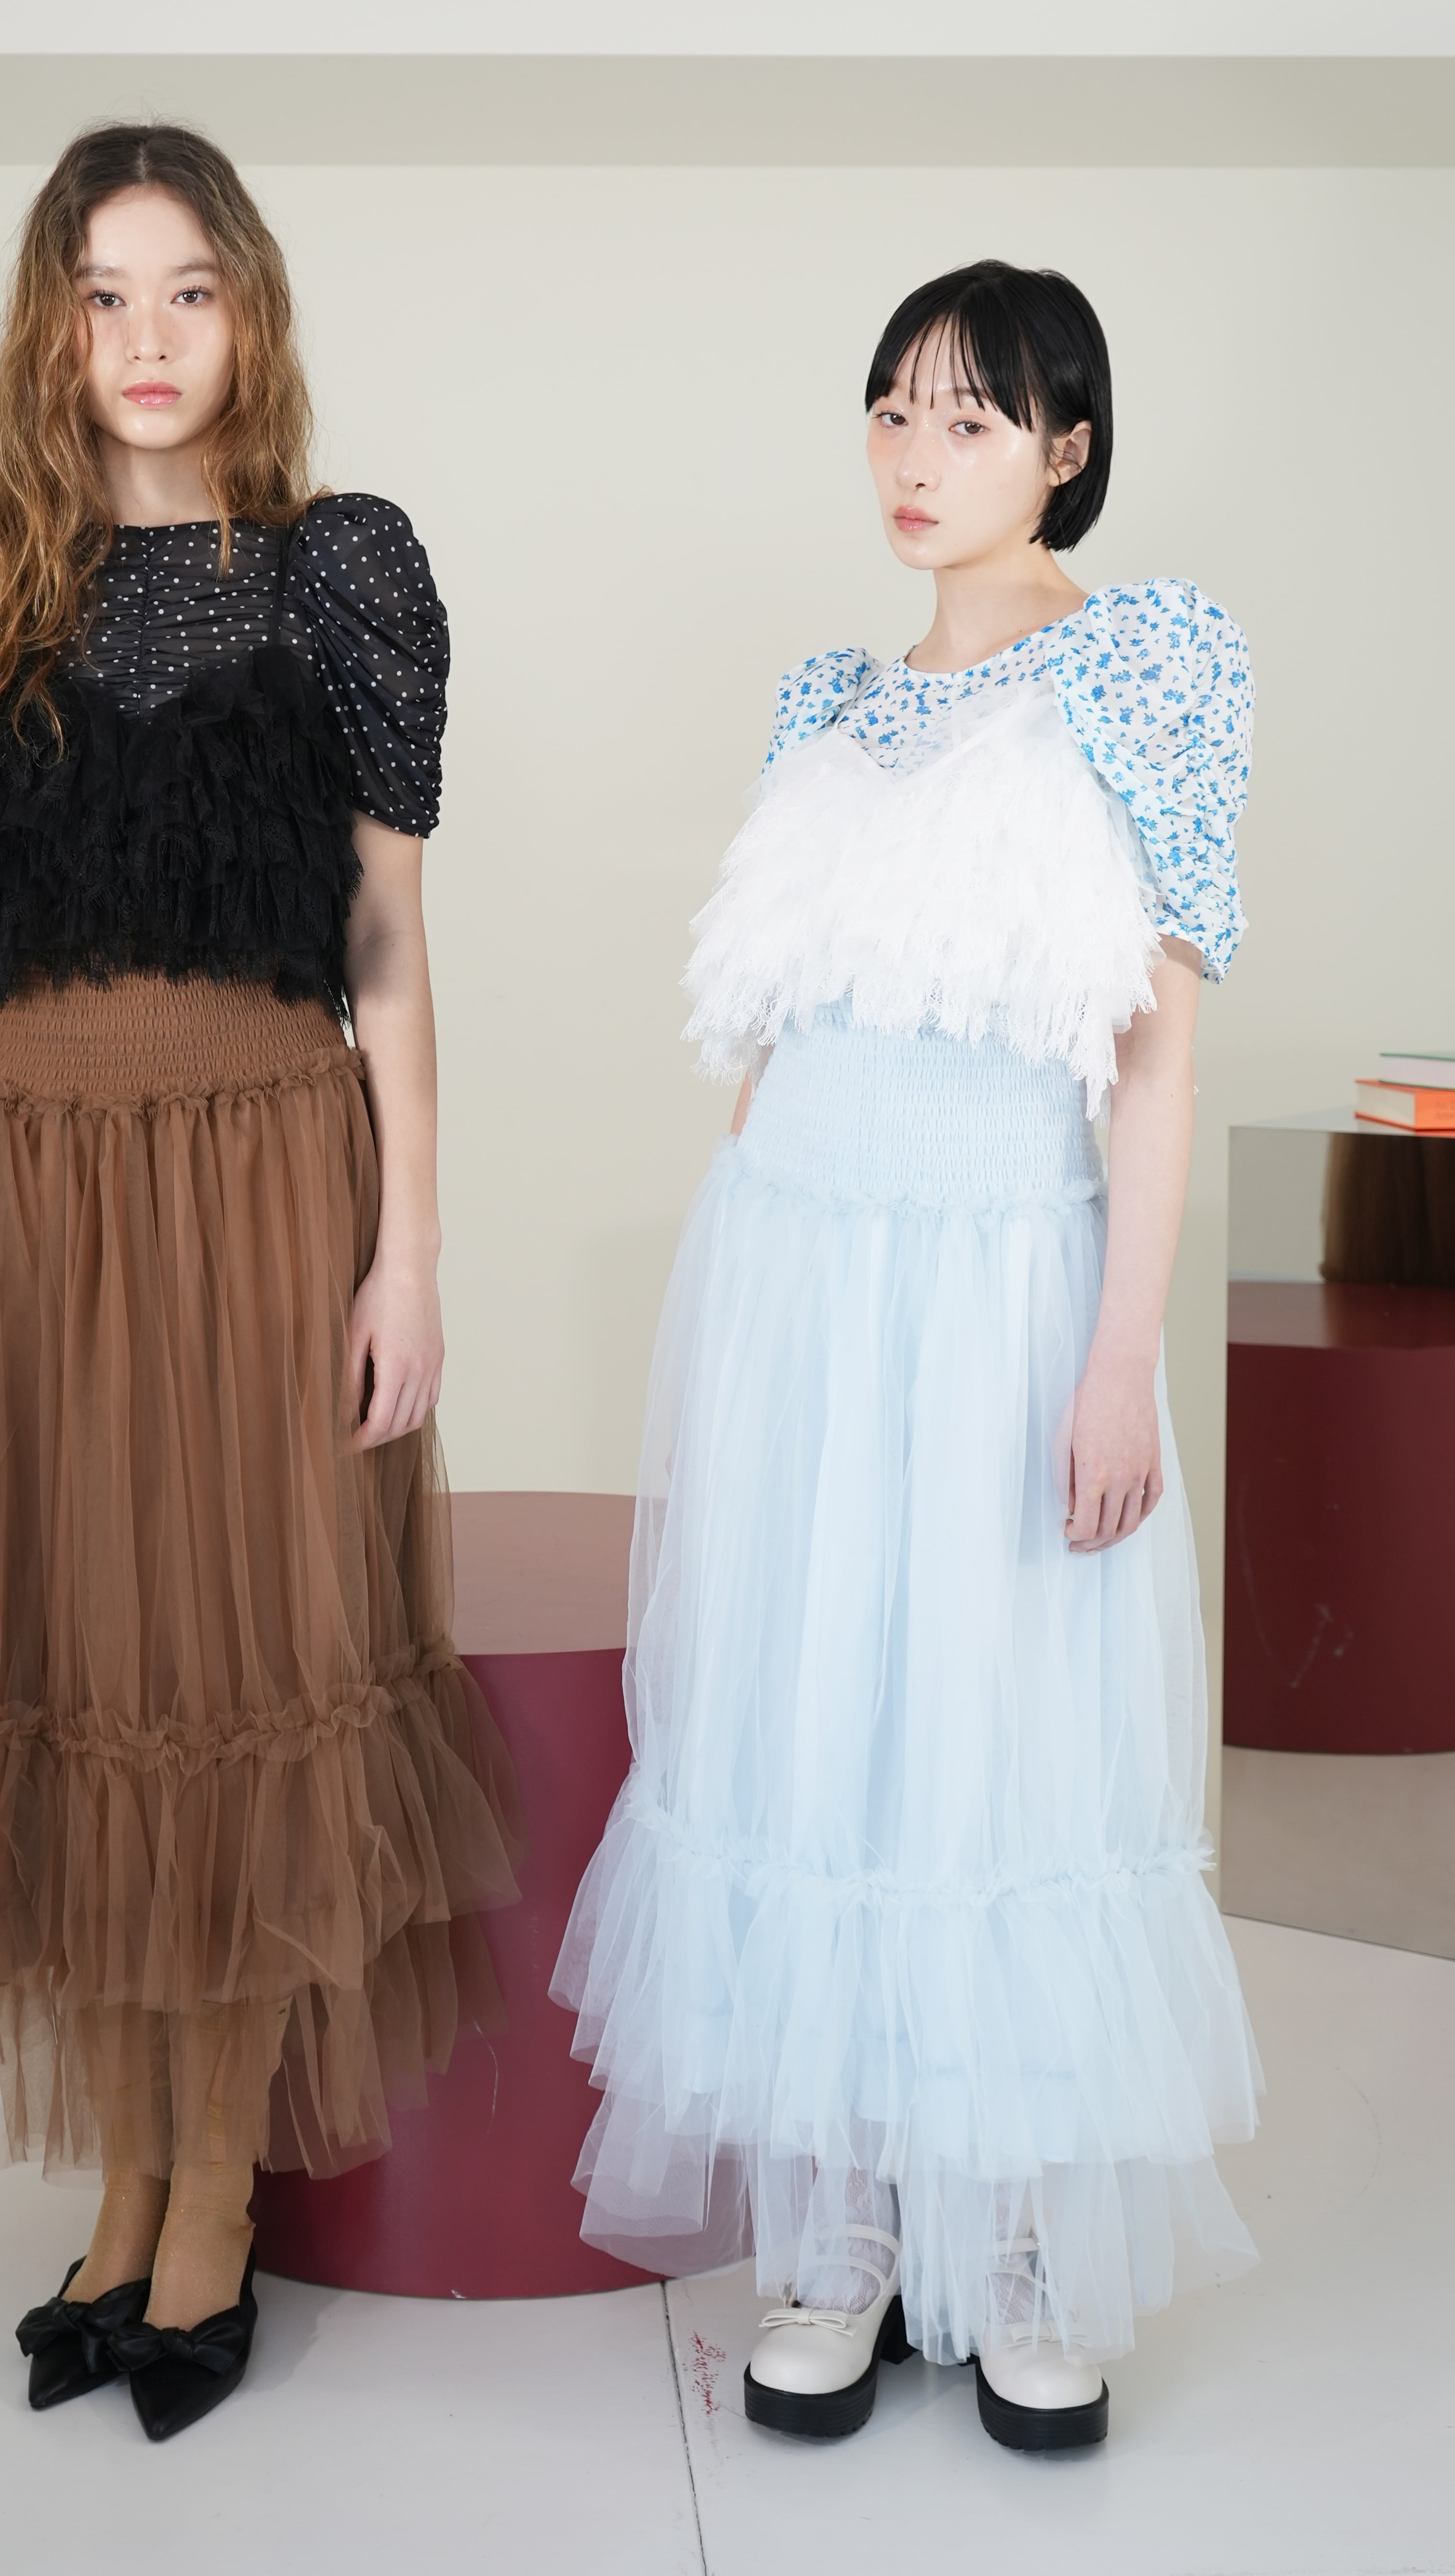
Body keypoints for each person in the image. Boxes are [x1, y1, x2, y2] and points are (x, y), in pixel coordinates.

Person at [0, 121, 521, 2445]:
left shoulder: (342, 572)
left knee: (231, 1674)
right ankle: (115, 2185)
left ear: (252, 315)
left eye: (190, 290)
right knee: (68, 1668)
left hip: (262, 1182)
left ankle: (211, 2190)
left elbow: (387, 947)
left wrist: (407, 1245)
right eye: (104, 292)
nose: (146, 338)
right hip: (28, 1182)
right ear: (51, 324)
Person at [553, 260, 1263, 2453]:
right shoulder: (823, 700)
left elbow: (1152, 1061)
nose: (913, 456)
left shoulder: (1151, 665)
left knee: (1001, 1738)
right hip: (800, 1280)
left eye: (969, 417)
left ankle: (1022, 2239)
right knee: (822, 1731)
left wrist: (1119, 1356)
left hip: (1004, 1280)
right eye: (889, 411)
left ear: (1065, 446)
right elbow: (767, 1045)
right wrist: (749, 1329)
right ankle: (845, 2229)